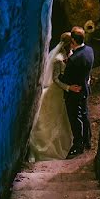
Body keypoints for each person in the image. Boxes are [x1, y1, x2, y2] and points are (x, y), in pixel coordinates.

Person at [27, 32, 74, 161]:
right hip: (56, 91)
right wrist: (68, 87)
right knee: (54, 119)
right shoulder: (58, 59)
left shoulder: (69, 54)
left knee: (63, 119)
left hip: (63, 92)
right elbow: (55, 79)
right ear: (68, 43)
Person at [59, 26, 94, 158]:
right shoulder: (89, 50)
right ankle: (88, 141)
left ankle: (78, 145)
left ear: (73, 40)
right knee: (84, 115)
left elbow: (65, 78)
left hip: (74, 93)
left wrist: (62, 70)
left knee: (75, 118)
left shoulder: (74, 60)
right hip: (85, 88)